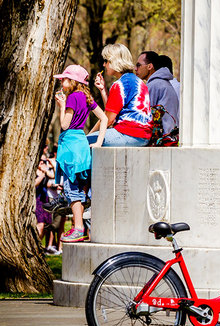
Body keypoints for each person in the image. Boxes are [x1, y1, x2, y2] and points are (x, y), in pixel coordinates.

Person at [52, 64, 108, 243]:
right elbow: (104, 118)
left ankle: (78, 228)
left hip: (71, 146)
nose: (62, 81)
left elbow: (65, 125)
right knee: (80, 188)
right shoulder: (86, 97)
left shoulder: (71, 98)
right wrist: (98, 141)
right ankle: (81, 227)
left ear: (74, 81)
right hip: (81, 143)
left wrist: (61, 106)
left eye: (65, 79)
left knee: (72, 189)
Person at [87, 43, 153, 147]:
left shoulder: (120, 85)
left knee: (81, 143)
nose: (104, 65)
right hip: (143, 137)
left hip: (128, 134)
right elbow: (111, 112)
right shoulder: (138, 82)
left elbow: (107, 120)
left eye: (106, 61)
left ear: (114, 61)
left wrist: (89, 135)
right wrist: (103, 90)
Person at [141, 51, 179, 135]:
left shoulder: (154, 85)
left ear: (151, 67)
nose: (136, 69)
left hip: (161, 136)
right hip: (171, 134)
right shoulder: (167, 84)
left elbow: (144, 115)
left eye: (138, 65)